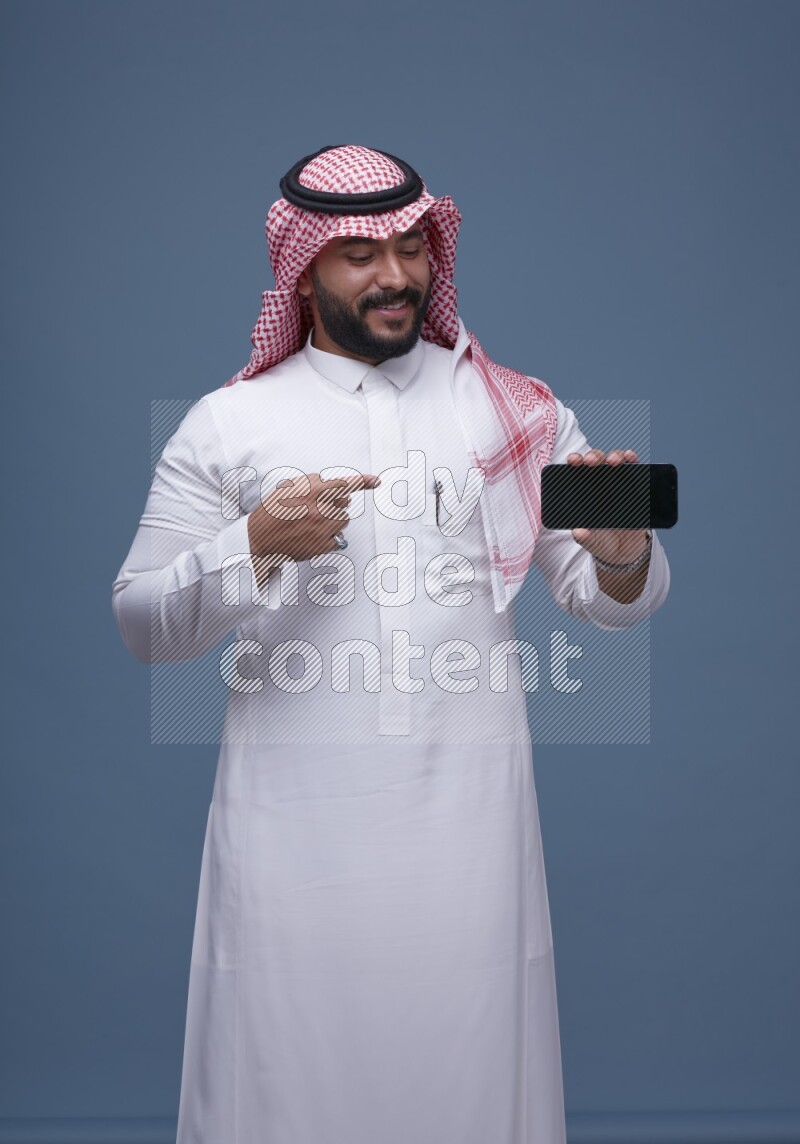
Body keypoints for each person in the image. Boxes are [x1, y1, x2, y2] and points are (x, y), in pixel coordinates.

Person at [112, 144, 670, 1144]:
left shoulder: (514, 409)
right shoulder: (228, 424)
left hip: (470, 833)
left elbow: (607, 599)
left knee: (470, 1078)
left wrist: (625, 556)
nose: (396, 276)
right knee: (286, 1082)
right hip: (292, 837)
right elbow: (144, 624)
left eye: (413, 249)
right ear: (303, 269)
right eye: (362, 255)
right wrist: (254, 546)